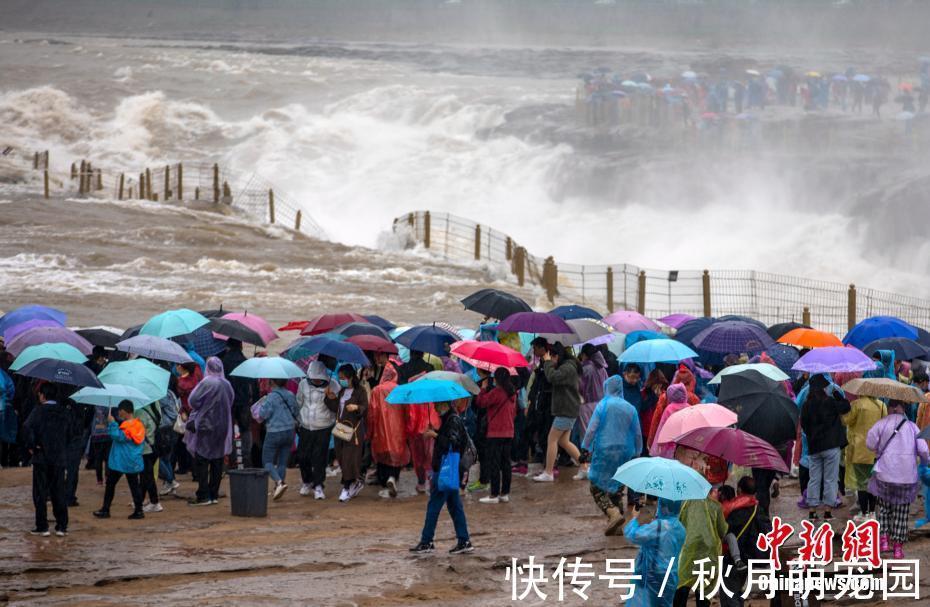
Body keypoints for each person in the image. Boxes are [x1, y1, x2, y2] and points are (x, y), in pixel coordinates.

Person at [866, 400, 929, 558]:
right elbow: (923, 450)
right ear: (902, 408)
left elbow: (870, 442)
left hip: (885, 474)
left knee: (885, 508)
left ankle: (884, 540)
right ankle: (898, 548)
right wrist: (925, 461)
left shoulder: (881, 424)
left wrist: (878, 448)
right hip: (906, 477)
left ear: (891, 407)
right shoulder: (912, 427)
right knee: (901, 512)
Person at [409, 399, 473, 555]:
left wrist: (435, 435)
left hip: (445, 470)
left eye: (438, 405)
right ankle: (464, 540)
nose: (436, 409)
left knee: (434, 506)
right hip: (449, 471)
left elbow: (452, 443)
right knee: (455, 506)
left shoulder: (452, 420)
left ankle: (426, 541)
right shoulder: (450, 419)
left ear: (445, 404)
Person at [583, 375, 642, 535]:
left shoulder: (603, 405)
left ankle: (613, 513)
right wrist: (637, 452)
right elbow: (637, 433)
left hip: (604, 450)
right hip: (625, 452)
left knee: (596, 486)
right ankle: (617, 526)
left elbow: (592, 429)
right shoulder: (631, 408)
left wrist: (585, 448)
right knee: (617, 488)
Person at [22, 383, 72, 536]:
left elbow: (27, 428)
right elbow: (72, 432)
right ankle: (61, 526)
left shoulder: (38, 411)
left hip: (41, 457)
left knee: (40, 493)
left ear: (43, 395)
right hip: (59, 457)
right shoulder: (64, 412)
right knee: (59, 491)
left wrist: (32, 445)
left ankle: (42, 526)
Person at [184, 357, 234, 507]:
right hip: (223, 424)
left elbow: (192, 400)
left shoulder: (206, 382)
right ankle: (213, 494)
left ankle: (203, 494)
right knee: (218, 459)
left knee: (202, 458)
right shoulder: (226, 384)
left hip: (206, 423)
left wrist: (204, 405)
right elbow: (231, 400)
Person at [800, 374, 850, 520]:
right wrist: (836, 394)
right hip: (831, 446)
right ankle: (827, 511)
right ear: (824, 387)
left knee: (814, 478)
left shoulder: (807, 405)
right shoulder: (830, 401)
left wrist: (811, 436)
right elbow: (846, 407)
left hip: (814, 447)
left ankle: (812, 511)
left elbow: (804, 425)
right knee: (830, 479)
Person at [719, 477, 772, 607]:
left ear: (739, 490)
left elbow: (724, 531)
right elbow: (768, 532)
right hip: (750, 558)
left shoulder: (733, 510)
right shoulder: (758, 509)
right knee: (737, 591)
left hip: (733, 558)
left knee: (729, 593)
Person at [623, 499, 686, 607]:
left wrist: (634, 518)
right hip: (671, 576)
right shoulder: (680, 528)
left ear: (664, 507)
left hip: (654, 576)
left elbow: (632, 535)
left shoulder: (659, 526)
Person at [533, 343, 582, 482]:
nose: (551, 359)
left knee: (552, 439)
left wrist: (547, 363)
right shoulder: (568, 366)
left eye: (552, 356)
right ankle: (584, 467)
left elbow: (552, 377)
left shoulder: (568, 367)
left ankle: (548, 472)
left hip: (565, 409)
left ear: (557, 356)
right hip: (568, 408)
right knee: (564, 441)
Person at [93, 400, 146, 520]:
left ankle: (105, 509)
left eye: (120, 411)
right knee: (134, 486)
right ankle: (139, 510)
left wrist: (112, 423)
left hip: (121, 461)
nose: (119, 413)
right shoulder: (138, 425)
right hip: (133, 461)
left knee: (110, 484)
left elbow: (117, 436)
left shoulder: (126, 426)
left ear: (123, 411)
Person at [326, 364, 368, 502]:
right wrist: (330, 398)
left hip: (354, 430)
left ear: (350, 377)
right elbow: (336, 408)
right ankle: (355, 481)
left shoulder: (360, 391)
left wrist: (357, 407)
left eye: (343, 378)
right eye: (340, 378)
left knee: (350, 458)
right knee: (342, 458)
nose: (341, 380)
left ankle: (346, 487)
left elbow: (365, 408)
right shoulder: (342, 392)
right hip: (340, 429)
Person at [842, 388, 886, 521]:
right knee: (873, 482)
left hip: (860, 450)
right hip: (876, 451)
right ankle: (872, 512)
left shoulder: (857, 404)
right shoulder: (882, 405)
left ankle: (864, 512)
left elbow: (846, 421)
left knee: (862, 484)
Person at [675, 496, 728, 607]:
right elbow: (723, 531)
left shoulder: (682, 504)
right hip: (709, 554)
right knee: (704, 591)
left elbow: (676, 526)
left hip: (687, 554)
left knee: (682, 589)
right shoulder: (716, 506)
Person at [296, 361, 338, 500]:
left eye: (319, 378)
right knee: (303, 456)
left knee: (319, 457)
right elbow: (299, 402)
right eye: (314, 378)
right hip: (305, 426)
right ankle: (307, 481)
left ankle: (318, 485)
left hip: (324, 426)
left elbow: (337, 407)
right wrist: (297, 420)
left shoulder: (333, 385)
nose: (316, 381)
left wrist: (331, 397)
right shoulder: (302, 385)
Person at [475, 367, 517, 504]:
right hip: (509, 432)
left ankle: (493, 494)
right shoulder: (512, 393)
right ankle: (505, 493)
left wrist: (483, 389)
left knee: (494, 462)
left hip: (495, 432)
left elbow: (481, 403)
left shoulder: (496, 392)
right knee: (506, 463)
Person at [367, 363, 409, 499]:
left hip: (381, 429)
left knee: (382, 455)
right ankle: (393, 477)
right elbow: (407, 412)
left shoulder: (376, 391)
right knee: (396, 454)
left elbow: (372, 413)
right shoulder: (400, 390)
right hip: (398, 428)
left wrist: (370, 430)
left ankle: (385, 483)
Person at [220, 339, 258, 468]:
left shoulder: (224, 362)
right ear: (241, 345)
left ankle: (232, 459)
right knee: (245, 430)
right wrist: (255, 400)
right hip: (244, 401)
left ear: (228, 346)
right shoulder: (246, 362)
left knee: (229, 430)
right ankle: (246, 458)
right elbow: (253, 384)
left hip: (228, 401)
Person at [260, 377, 299, 500]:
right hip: (289, 431)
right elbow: (296, 411)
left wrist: (262, 404)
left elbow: (263, 415)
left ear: (273, 381)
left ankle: (279, 482)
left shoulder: (270, 397)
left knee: (267, 461)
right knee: (282, 462)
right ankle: (278, 486)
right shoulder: (290, 394)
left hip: (274, 432)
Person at [574, 344, 608, 480]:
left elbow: (578, 387)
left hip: (586, 405)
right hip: (601, 404)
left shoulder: (586, 368)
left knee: (586, 437)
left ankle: (585, 467)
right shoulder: (602, 368)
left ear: (584, 355)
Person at [135, 396, 163, 513]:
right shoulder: (155, 402)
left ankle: (154, 502)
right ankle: (139, 500)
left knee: (147, 475)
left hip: (145, 446)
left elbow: (138, 429)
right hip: (154, 444)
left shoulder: (139, 408)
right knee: (146, 474)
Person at [649, 383, 691, 458]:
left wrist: (658, 445)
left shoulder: (669, 409)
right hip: (685, 444)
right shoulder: (689, 408)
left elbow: (662, 428)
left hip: (670, 445)